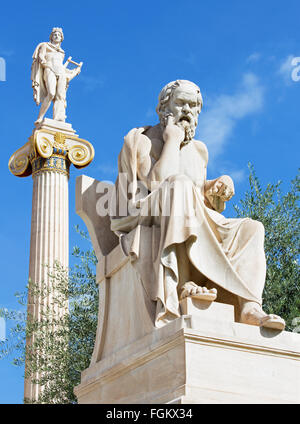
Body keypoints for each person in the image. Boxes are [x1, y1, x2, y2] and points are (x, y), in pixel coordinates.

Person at [110, 79, 285, 331]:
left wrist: (215, 186)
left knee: (252, 228)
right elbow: (159, 183)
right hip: (145, 213)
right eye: (180, 103)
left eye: (193, 106)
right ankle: (182, 283)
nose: (187, 111)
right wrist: (171, 140)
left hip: (184, 209)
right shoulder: (141, 140)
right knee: (178, 186)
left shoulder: (199, 150)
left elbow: (199, 195)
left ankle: (249, 306)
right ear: (163, 109)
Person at [31, 27, 81, 124]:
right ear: (51, 37)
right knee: (51, 93)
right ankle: (40, 117)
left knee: (60, 96)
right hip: (49, 69)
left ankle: (58, 118)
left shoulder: (62, 52)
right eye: (55, 34)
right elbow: (41, 56)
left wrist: (73, 71)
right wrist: (43, 61)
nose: (57, 36)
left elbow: (61, 66)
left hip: (61, 71)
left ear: (61, 38)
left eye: (59, 35)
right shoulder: (45, 46)